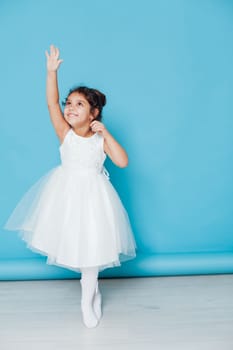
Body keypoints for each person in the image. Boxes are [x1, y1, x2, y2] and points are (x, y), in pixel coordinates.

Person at [4, 45, 137, 328]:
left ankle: (87, 299)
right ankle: (92, 289)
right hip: (65, 196)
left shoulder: (100, 138)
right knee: (76, 247)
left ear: (94, 113)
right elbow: (51, 104)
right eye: (70, 102)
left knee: (92, 250)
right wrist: (51, 73)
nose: (70, 108)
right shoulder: (65, 133)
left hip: (95, 198)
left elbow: (122, 161)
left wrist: (107, 133)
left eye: (79, 104)